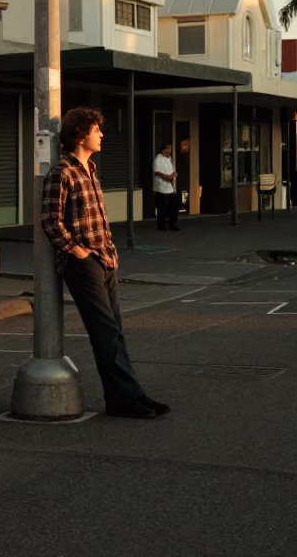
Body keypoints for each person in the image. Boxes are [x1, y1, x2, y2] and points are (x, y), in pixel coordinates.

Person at [40, 106, 171, 419]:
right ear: (82, 134)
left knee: (116, 332)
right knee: (106, 332)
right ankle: (130, 398)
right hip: (83, 264)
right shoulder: (62, 172)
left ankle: (123, 398)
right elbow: (50, 220)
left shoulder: (91, 169)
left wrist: (108, 251)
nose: (101, 135)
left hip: (105, 259)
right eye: (97, 130)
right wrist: (78, 252)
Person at [152, 142, 179, 231]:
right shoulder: (158, 159)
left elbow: (173, 171)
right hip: (160, 188)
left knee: (173, 207)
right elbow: (157, 172)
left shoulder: (170, 159)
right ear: (163, 150)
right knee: (162, 208)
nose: (169, 151)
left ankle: (172, 224)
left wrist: (173, 177)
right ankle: (161, 225)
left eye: (170, 149)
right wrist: (168, 177)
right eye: (167, 149)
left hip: (170, 188)